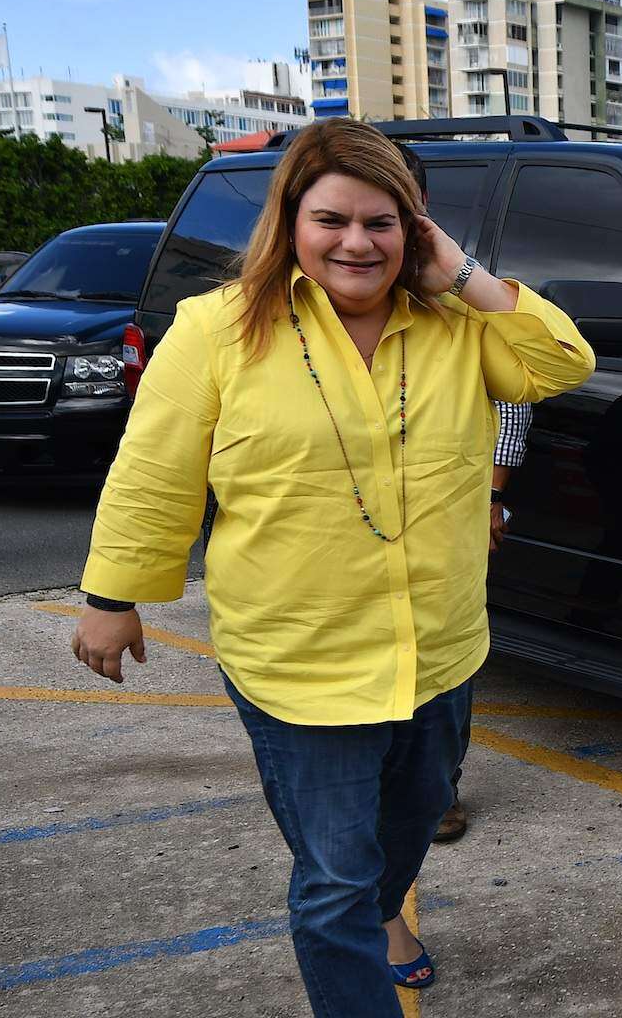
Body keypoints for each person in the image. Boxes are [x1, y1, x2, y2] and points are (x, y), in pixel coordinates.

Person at [69, 117, 594, 1015]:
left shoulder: (457, 326)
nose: (357, 241)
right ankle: (363, 940)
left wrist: (460, 274)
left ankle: (384, 908)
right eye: (332, 220)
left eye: (383, 222)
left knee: (407, 827)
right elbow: (154, 470)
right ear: (290, 221)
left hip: (439, 648)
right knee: (334, 882)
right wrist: (112, 595)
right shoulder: (219, 330)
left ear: (414, 229)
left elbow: (562, 364)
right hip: (299, 658)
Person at [431, 398, 531, 844]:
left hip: (442, 507)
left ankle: (437, 793)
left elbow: (513, 407)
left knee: (441, 652)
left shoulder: (460, 329)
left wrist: (490, 496)